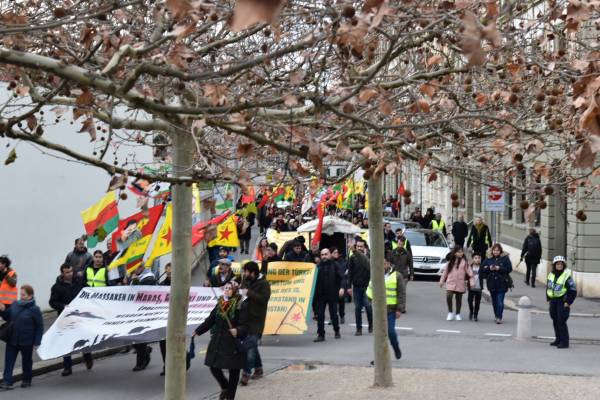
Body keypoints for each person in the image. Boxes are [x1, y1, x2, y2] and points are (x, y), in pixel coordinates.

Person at [194, 282, 247, 400]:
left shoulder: (240, 305)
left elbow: (246, 324)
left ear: (234, 290)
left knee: (234, 371)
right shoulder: (220, 304)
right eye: (225, 288)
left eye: (230, 288)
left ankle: (230, 397)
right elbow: (210, 320)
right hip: (218, 341)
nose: (227, 290)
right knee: (213, 366)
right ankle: (225, 387)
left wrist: (237, 330)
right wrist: (198, 331)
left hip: (233, 343)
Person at [49, 264, 93, 376]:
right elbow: (52, 302)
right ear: (62, 273)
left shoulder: (79, 282)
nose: (70, 274)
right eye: (67, 272)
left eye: (71, 271)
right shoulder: (56, 287)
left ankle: (87, 356)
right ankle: (67, 367)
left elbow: (89, 291)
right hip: (65, 319)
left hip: (80, 316)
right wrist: (63, 306)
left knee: (83, 338)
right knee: (66, 342)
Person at [0, 285, 43, 390]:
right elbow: (8, 317)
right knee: (9, 361)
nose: (21, 296)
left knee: (27, 361)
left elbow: (39, 326)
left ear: (30, 296)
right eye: (21, 294)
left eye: (23, 295)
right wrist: (2, 310)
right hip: (12, 339)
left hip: (27, 340)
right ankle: (7, 381)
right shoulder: (15, 304)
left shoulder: (35, 309)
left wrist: (37, 341)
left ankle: (26, 380)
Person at [239, 261, 271, 386]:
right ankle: (258, 369)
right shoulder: (246, 280)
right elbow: (241, 292)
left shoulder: (264, 283)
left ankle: (246, 373)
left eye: (247, 272)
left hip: (257, 320)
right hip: (245, 319)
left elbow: (264, 299)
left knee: (249, 346)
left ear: (253, 272)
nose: (245, 274)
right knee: (252, 345)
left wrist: (249, 293)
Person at [366, 258, 404, 359]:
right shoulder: (375, 274)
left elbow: (401, 293)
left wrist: (399, 309)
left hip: (391, 310)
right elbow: (370, 289)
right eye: (380, 263)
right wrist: (369, 302)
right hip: (378, 310)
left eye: (384, 263)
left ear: (389, 263)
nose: (382, 266)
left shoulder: (397, 276)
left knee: (390, 332)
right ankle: (379, 358)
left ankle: (396, 347)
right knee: (379, 335)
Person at [129, 266, 157, 371]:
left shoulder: (149, 278)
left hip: (144, 312)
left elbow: (142, 293)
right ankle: (145, 350)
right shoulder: (135, 277)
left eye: (138, 266)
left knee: (140, 338)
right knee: (131, 337)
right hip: (133, 311)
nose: (135, 268)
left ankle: (141, 362)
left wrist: (135, 281)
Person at [546, 256, 577, 349]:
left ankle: (564, 342)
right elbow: (548, 287)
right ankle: (558, 339)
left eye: (561, 264)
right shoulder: (551, 275)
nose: (559, 266)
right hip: (553, 301)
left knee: (561, 321)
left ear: (564, 265)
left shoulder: (567, 276)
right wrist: (548, 298)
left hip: (562, 301)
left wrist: (568, 302)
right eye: (557, 264)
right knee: (555, 320)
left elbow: (573, 290)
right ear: (554, 265)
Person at [313, 248, 344, 342]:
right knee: (320, 315)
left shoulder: (335, 265)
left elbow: (342, 278)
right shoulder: (317, 267)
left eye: (326, 254)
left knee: (333, 315)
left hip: (332, 294)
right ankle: (321, 335)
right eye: (322, 255)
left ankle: (336, 330)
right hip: (321, 295)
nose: (324, 256)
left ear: (330, 255)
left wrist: (342, 288)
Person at [481, 243, 513, 324]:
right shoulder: (488, 259)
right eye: (494, 250)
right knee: (495, 302)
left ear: (500, 251)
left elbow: (509, 269)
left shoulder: (505, 258)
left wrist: (499, 268)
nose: (496, 252)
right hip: (491, 283)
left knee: (500, 302)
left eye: (498, 250)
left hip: (502, 283)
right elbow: (482, 269)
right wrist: (489, 268)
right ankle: (496, 315)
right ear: (492, 251)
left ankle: (499, 317)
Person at [346, 239, 372, 335]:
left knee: (368, 307)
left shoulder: (369, 257)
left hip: (367, 287)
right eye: (358, 246)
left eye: (361, 246)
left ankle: (371, 325)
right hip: (356, 287)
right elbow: (350, 273)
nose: (359, 248)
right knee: (357, 308)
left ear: (365, 247)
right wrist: (349, 286)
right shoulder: (352, 258)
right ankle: (359, 329)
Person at [439, 246, 472, 321]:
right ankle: (450, 312)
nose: (460, 253)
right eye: (458, 252)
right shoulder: (450, 262)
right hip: (450, 282)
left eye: (461, 252)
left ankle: (458, 314)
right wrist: (441, 281)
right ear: (455, 253)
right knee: (449, 296)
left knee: (459, 299)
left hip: (460, 283)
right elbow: (445, 273)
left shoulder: (464, 262)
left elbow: (469, 271)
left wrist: (472, 280)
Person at [390, 239, 413, 313]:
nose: (400, 245)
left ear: (403, 244)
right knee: (395, 291)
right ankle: (394, 306)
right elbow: (389, 263)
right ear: (397, 243)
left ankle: (402, 308)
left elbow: (411, 264)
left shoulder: (407, 253)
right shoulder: (393, 252)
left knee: (402, 292)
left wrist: (411, 274)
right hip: (394, 274)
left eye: (401, 244)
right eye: (399, 244)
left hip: (404, 275)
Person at [159, 263, 172, 376]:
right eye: (168, 271)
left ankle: (183, 360)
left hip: (177, 319)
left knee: (176, 343)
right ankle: (166, 365)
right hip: (164, 319)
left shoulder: (182, 284)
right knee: (163, 343)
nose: (170, 273)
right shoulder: (161, 285)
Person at [331, 247, 347, 325]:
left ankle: (342, 315)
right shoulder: (329, 262)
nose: (336, 254)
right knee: (333, 303)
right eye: (334, 252)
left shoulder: (341, 261)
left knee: (341, 302)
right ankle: (333, 318)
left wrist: (342, 287)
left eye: (337, 252)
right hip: (331, 286)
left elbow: (343, 274)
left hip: (340, 284)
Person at [467, 253, 484, 321]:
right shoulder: (469, 267)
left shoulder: (482, 267)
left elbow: (485, 275)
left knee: (477, 302)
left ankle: (475, 315)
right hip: (471, 287)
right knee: (470, 301)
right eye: (475, 258)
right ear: (473, 259)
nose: (477, 259)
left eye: (479, 258)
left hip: (479, 287)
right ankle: (471, 311)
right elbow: (466, 275)